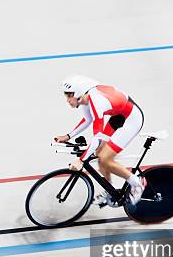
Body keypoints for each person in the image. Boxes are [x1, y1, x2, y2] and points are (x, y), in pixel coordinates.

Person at [54, 74, 145, 206]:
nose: (67, 99)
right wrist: (68, 136)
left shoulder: (97, 102)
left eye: (69, 95)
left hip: (131, 120)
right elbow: (87, 119)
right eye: (66, 95)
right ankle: (109, 190)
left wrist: (81, 160)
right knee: (99, 153)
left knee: (105, 158)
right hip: (119, 116)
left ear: (78, 93)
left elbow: (98, 136)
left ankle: (137, 183)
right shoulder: (85, 98)